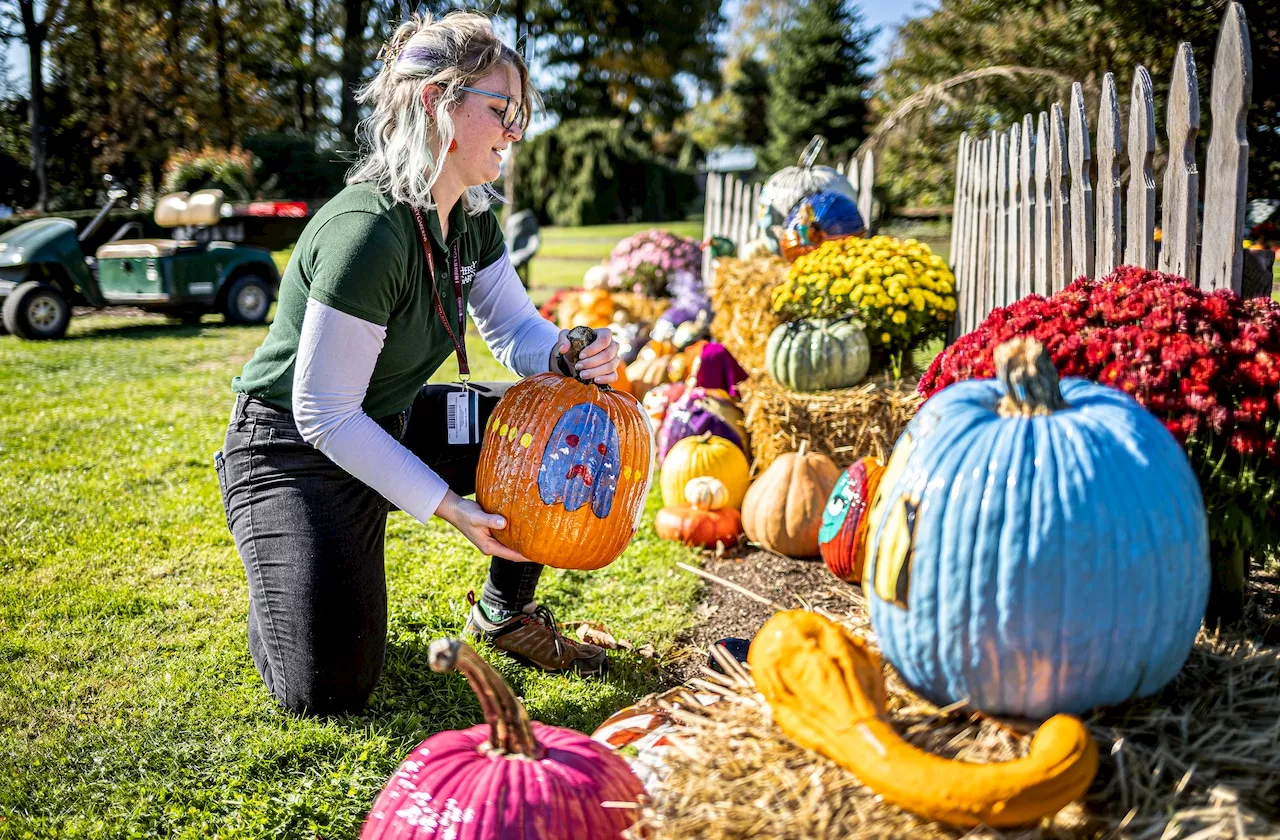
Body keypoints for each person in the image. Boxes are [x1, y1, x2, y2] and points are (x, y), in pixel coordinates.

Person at [214, 11, 621, 716]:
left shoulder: (471, 218)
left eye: (520, 112)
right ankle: (286, 568)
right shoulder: (367, 231)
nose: (516, 131)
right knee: (329, 690)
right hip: (292, 450)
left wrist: (563, 349)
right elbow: (324, 413)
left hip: (388, 424)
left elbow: (516, 327)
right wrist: (449, 506)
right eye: (503, 110)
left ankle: (502, 613)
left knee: (561, 428)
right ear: (437, 102)